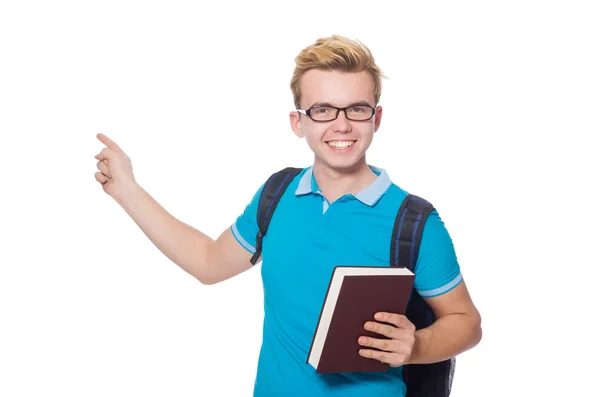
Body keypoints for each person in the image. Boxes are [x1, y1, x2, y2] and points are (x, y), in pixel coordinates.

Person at [94, 34, 482, 396]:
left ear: (376, 119)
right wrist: (127, 190)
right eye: (323, 110)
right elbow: (208, 262)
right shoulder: (277, 196)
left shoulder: (413, 222)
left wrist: (417, 345)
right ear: (299, 122)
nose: (341, 125)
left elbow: (466, 322)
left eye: (357, 109)